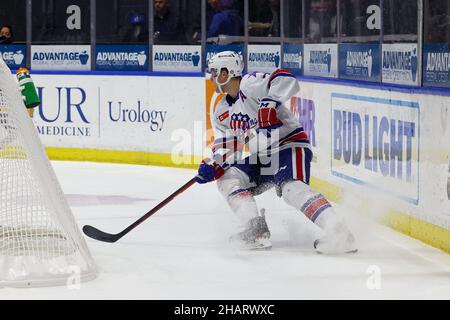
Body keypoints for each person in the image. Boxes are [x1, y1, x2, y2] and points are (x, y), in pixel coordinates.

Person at [195, 51, 357, 254]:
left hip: (289, 145)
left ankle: (339, 232)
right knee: (228, 177)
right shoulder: (221, 111)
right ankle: (255, 229)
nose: (211, 77)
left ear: (228, 72)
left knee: (291, 188)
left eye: (215, 72)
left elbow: (286, 79)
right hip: (263, 158)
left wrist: (269, 102)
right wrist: (214, 164)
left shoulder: (249, 84)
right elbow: (226, 149)